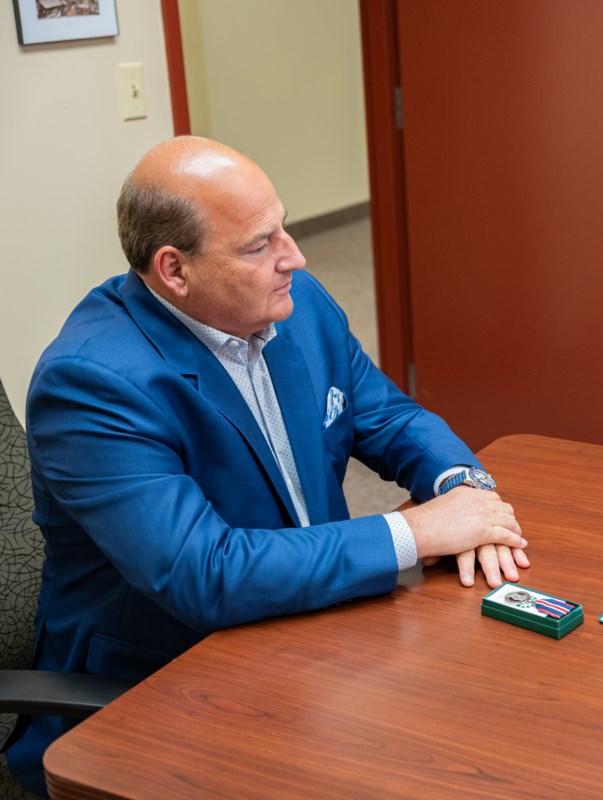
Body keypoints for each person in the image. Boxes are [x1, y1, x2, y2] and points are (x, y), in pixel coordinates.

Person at [8, 136, 529, 795]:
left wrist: (463, 490)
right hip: (165, 690)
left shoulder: (299, 305)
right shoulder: (93, 383)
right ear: (174, 271)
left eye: (283, 227)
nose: (296, 257)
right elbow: (205, 574)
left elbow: (389, 418)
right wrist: (421, 533)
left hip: (317, 632)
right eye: (260, 245)